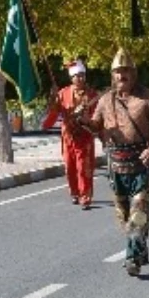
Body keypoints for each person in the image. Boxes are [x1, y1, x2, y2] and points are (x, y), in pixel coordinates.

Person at [82, 48, 149, 277]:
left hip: (142, 163)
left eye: (126, 71)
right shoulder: (104, 100)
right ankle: (140, 246)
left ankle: (132, 259)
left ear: (134, 73)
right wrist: (81, 120)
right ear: (112, 75)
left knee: (138, 213)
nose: (122, 76)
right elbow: (95, 125)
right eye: (118, 72)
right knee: (123, 215)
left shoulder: (147, 98)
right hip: (117, 165)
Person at [43, 60, 99, 208]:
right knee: (70, 167)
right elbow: (54, 112)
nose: (80, 78)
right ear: (71, 78)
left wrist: (88, 120)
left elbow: (98, 117)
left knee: (83, 167)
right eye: (77, 76)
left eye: (82, 75)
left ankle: (85, 196)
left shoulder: (92, 94)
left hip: (84, 136)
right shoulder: (63, 93)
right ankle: (74, 192)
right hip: (68, 136)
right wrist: (53, 99)